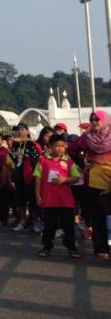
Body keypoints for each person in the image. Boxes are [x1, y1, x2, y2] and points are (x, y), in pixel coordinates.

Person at [68, 110, 111, 258]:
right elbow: (71, 150)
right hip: (94, 180)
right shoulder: (87, 138)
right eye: (92, 120)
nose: (94, 122)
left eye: (97, 119)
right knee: (98, 216)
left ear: (105, 120)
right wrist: (83, 165)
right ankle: (101, 249)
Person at [35, 134, 81, 258]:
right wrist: (38, 195)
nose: (60, 148)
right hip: (49, 200)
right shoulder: (43, 160)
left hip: (66, 200)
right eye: (57, 146)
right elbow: (38, 178)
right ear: (50, 147)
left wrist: (65, 180)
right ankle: (47, 247)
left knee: (68, 225)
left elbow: (76, 177)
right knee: (49, 225)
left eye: (62, 146)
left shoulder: (69, 161)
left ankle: (72, 248)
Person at [9, 123, 41, 232]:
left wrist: (23, 140)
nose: (19, 132)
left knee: (33, 201)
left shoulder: (31, 143)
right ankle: (23, 221)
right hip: (19, 176)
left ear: (27, 131)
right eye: (18, 130)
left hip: (30, 176)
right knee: (21, 201)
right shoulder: (16, 145)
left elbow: (37, 156)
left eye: (22, 129)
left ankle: (35, 222)